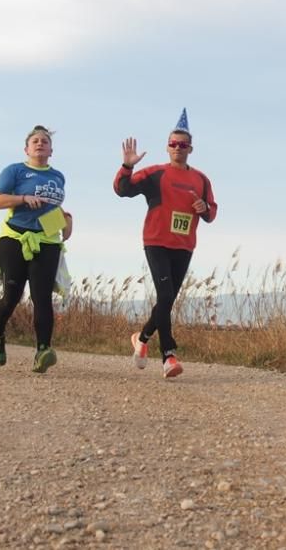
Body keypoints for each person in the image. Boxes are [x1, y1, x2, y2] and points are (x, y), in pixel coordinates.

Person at [114, 109, 217, 378]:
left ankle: (142, 338)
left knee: (166, 300)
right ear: (167, 147)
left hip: (184, 246)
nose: (178, 148)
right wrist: (127, 166)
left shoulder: (201, 180)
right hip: (156, 241)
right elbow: (123, 190)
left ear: (190, 149)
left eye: (183, 145)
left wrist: (203, 207)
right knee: (166, 296)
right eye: (173, 144)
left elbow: (211, 214)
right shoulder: (155, 174)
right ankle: (168, 356)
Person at [0, 125, 72, 373]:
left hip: (47, 240)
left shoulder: (58, 177)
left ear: (51, 150)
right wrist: (23, 199)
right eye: (35, 141)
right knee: (12, 296)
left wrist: (67, 219)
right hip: (14, 237)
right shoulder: (15, 171)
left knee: (42, 297)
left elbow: (53, 208)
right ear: (27, 148)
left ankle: (43, 350)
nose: (39, 144)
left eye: (44, 141)